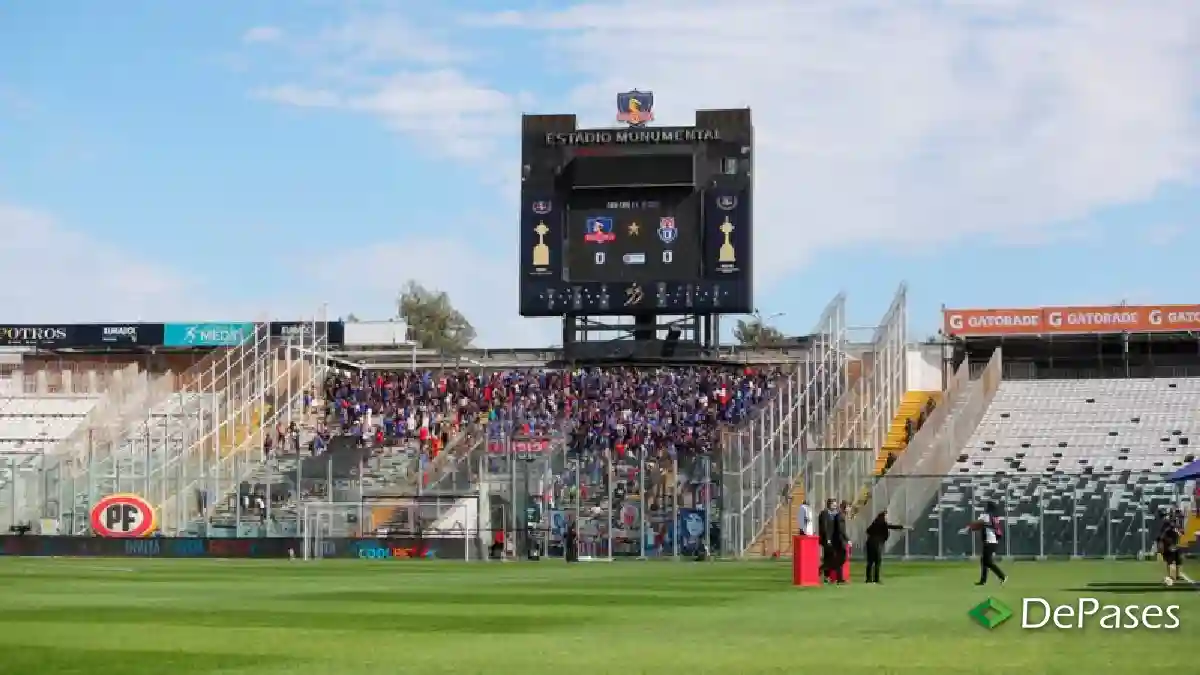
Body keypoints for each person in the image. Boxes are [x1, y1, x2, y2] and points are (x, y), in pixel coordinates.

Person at [969, 501, 1007, 586]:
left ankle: (1002, 576)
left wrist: (969, 527)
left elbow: (978, 524)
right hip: (994, 541)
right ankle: (983, 580)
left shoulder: (986, 516)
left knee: (988, 561)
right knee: (984, 561)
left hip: (989, 541)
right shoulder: (995, 517)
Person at [864, 510, 906, 584]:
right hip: (877, 544)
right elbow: (891, 526)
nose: (887, 517)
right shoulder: (883, 523)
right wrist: (901, 527)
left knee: (870, 562)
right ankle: (876, 579)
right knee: (877, 561)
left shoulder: (875, 523)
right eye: (886, 516)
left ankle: (868, 579)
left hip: (870, 543)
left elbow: (868, 531)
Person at [1158, 509, 1182, 586]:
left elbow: (1178, 534)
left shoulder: (1173, 525)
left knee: (1176, 561)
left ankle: (1175, 576)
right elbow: (1163, 536)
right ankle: (1171, 577)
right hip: (1169, 545)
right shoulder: (1168, 524)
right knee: (1171, 561)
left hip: (1173, 545)